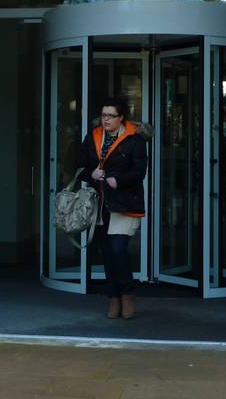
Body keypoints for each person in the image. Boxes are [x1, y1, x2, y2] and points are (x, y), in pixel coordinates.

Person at [77, 96, 147, 319]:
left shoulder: (134, 139)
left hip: (124, 203)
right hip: (101, 204)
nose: (105, 119)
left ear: (121, 117)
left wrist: (119, 179)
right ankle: (113, 298)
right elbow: (80, 164)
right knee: (107, 254)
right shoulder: (93, 136)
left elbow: (140, 170)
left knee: (118, 250)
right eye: (103, 115)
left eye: (110, 116)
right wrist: (91, 174)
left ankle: (128, 293)